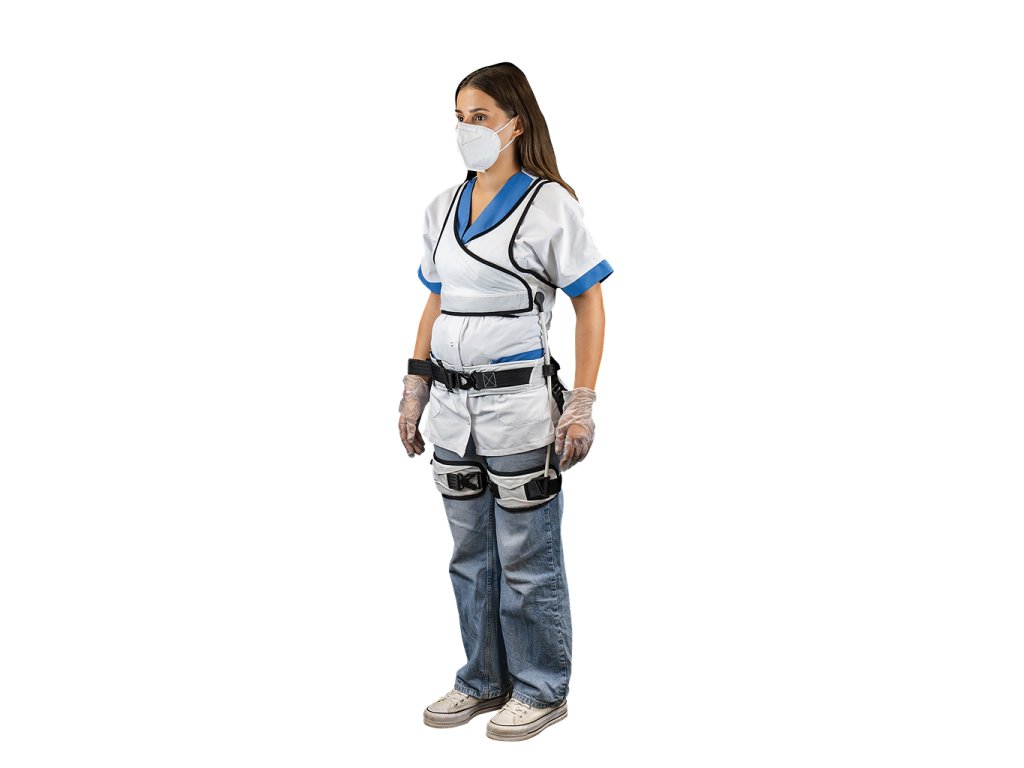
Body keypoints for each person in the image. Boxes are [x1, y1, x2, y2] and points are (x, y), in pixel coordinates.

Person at [398, 62, 612, 742]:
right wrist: (413, 387)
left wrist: (582, 400)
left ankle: (542, 688)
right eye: (461, 118)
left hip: (517, 406)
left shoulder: (549, 206)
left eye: (481, 117)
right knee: (470, 555)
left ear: (516, 124)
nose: (468, 129)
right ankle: (482, 680)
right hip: (451, 408)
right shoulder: (442, 208)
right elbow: (436, 300)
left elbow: (589, 302)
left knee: (525, 558)